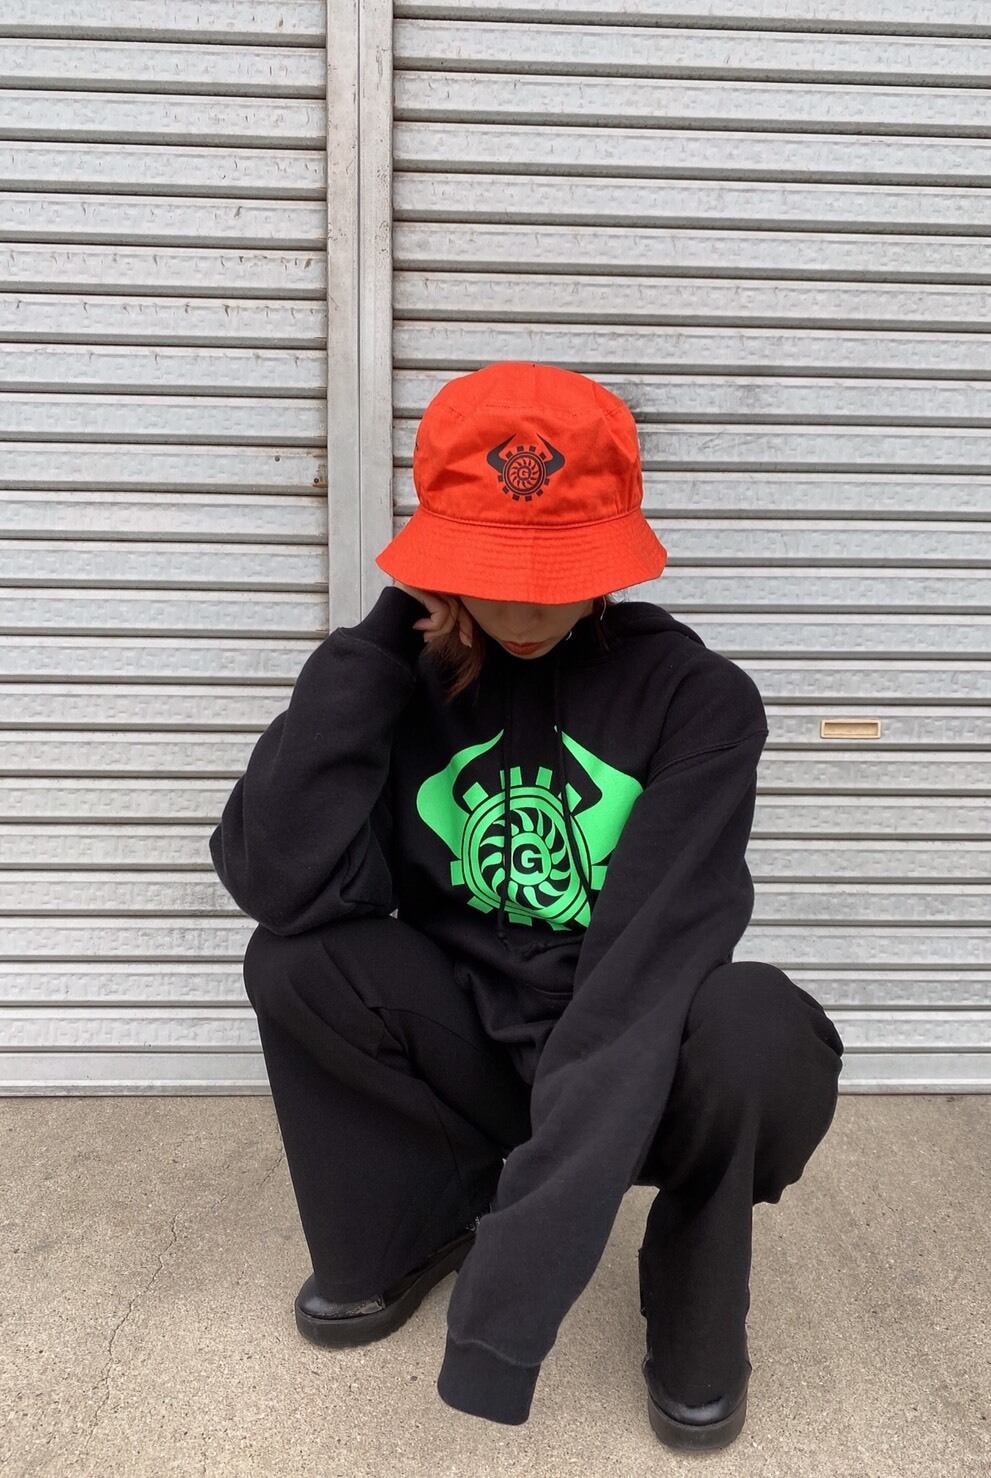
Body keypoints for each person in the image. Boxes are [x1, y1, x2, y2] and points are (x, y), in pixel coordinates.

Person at [208, 361, 845, 1452]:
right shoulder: (403, 678)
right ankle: (412, 1228)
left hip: (636, 1064)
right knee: (293, 959)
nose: (525, 606)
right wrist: (379, 641)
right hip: (472, 1046)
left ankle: (693, 1305)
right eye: (492, 569)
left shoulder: (699, 703)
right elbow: (271, 875)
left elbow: (646, 975)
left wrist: (516, 1288)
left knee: (759, 1029)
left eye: (560, 571)